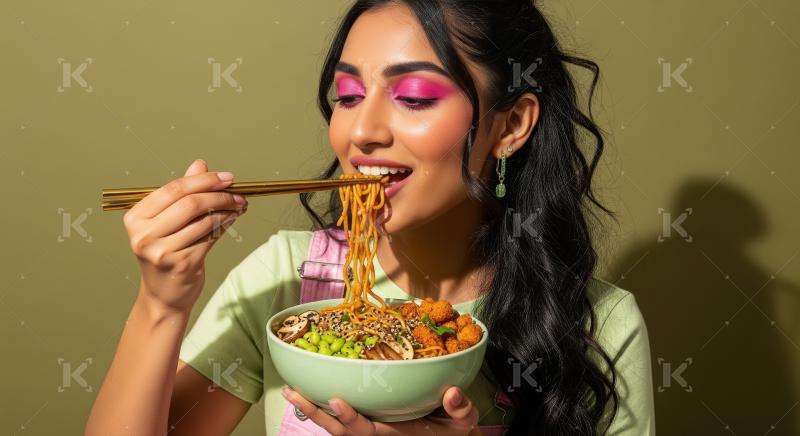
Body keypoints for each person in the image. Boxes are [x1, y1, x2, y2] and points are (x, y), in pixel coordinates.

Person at [86, 1, 655, 434]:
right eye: (349, 95)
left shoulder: (598, 325)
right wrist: (160, 304)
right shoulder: (286, 282)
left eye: (413, 97)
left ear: (510, 126)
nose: (361, 133)